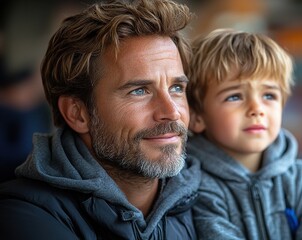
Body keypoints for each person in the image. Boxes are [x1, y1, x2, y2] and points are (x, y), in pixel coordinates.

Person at [0, 0, 200, 239]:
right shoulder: (21, 216)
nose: (172, 111)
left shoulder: (211, 197)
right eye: (139, 91)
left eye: (176, 87)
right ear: (78, 113)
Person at [186, 28, 302, 239]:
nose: (257, 108)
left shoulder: (299, 177)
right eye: (234, 96)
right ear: (197, 116)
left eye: (269, 95)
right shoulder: (195, 186)